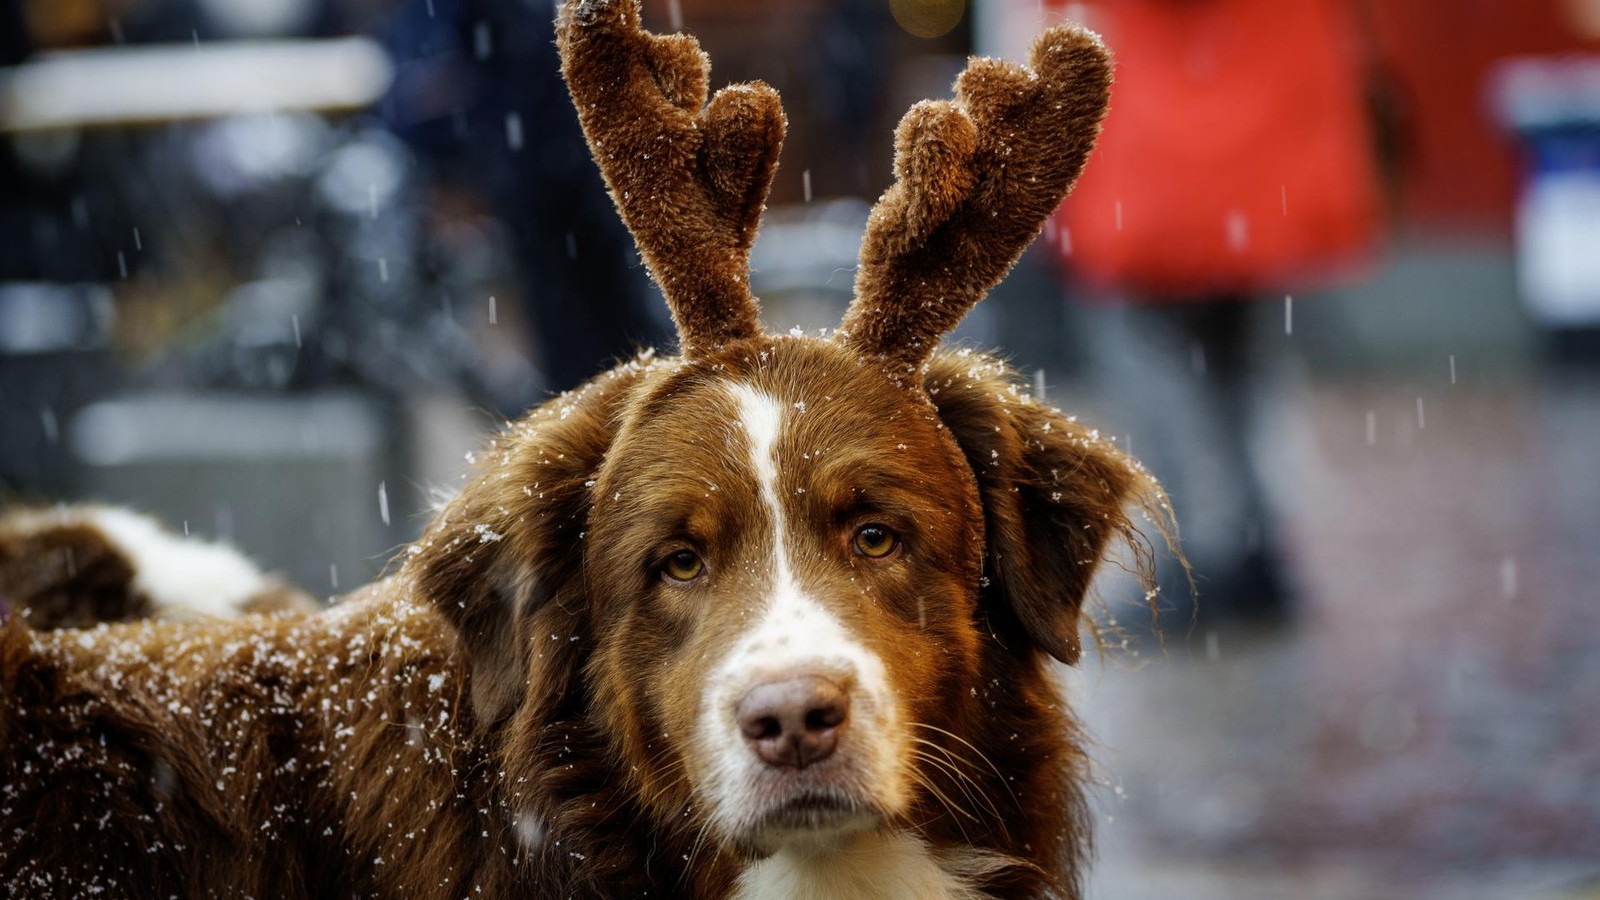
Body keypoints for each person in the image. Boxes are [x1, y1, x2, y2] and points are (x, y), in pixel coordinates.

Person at [1049, 0, 1383, 631]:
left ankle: (1202, 552)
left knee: (1144, 340)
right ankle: (1254, 542)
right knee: (1239, 348)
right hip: (1269, 134)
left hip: (1172, 144)